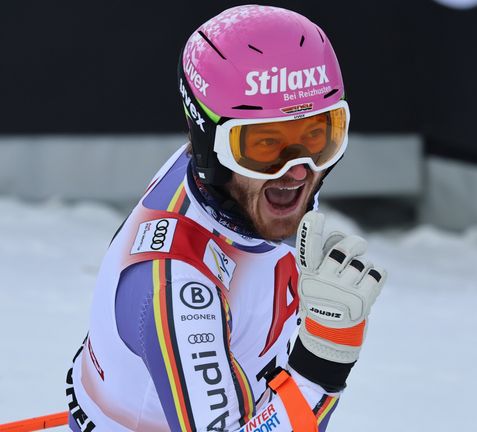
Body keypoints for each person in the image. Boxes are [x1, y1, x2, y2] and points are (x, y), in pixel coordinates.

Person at [65, 5, 386, 431]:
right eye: (267, 145)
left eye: (317, 136)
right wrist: (323, 361)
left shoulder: (233, 188)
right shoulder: (178, 288)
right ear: (206, 142)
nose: (297, 170)